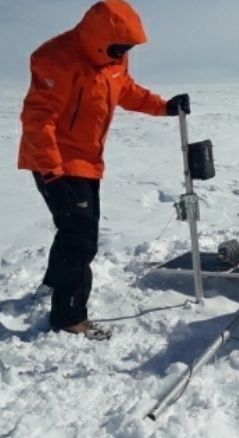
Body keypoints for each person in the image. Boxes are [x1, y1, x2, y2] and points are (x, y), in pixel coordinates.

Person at [17, 0, 191, 340]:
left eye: (127, 48)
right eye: (119, 47)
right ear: (99, 38)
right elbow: (38, 120)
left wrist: (164, 107)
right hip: (54, 159)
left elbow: (126, 89)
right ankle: (69, 317)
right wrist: (51, 172)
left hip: (88, 161)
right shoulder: (57, 58)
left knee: (75, 228)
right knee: (80, 236)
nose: (123, 53)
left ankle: (54, 284)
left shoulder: (112, 59)